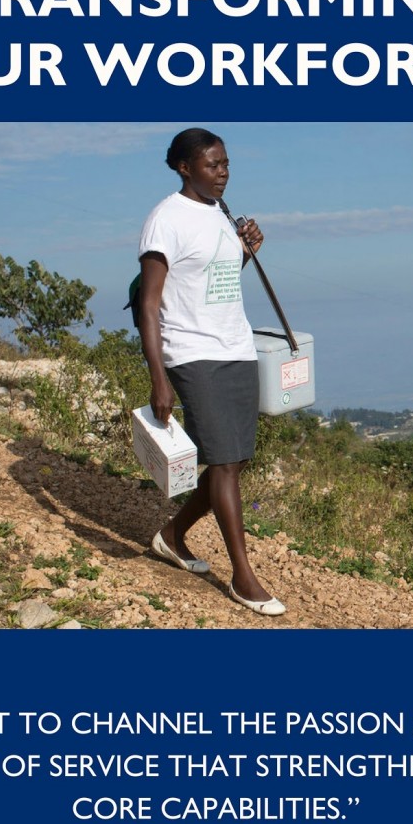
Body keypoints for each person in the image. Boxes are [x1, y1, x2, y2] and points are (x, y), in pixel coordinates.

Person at [137, 127, 285, 616]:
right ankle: (243, 577)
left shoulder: (221, 213)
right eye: (212, 165)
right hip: (191, 352)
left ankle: (172, 535)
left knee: (235, 459)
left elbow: (213, 283)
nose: (223, 173)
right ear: (184, 167)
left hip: (236, 347)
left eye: (225, 164)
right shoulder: (166, 219)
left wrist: (245, 253)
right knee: (222, 463)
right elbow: (150, 301)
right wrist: (158, 377)